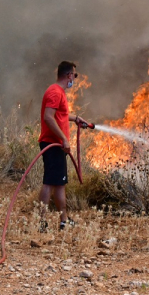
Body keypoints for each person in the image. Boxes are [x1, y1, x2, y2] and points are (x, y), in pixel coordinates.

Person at [39, 61, 88, 231]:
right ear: (68, 75)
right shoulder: (55, 92)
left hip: (57, 145)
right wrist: (64, 139)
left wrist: (75, 118)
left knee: (59, 183)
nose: (74, 79)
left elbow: (59, 115)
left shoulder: (58, 92)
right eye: (74, 75)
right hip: (53, 144)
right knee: (49, 183)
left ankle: (63, 221)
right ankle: (41, 223)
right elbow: (48, 117)